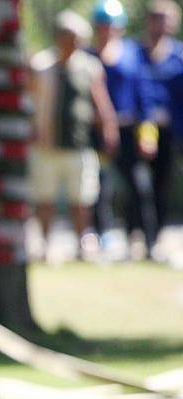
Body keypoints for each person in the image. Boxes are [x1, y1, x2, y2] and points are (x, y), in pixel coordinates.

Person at [30, 10, 119, 261]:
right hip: (46, 143)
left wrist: (108, 128)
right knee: (44, 199)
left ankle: (83, 246)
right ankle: (44, 246)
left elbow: (100, 101)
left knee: (81, 200)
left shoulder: (90, 66)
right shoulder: (41, 65)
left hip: (79, 144)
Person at [88, 0, 159, 258]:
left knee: (140, 188)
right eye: (103, 26)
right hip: (96, 133)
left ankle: (145, 242)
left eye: (112, 26)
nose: (107, 31)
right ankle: (98, 239)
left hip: (129, 131)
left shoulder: (132, 53)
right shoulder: (88, 55)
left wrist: (148, 135)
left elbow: (145, 96)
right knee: (98, 188)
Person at [138, 0, 183, 258]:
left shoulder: (178, 55)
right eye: (156, 17)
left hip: (171, 131)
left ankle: (157, 237)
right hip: (142, 128)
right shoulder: (135, 53)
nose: (161, 24)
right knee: (140, 184)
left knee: (164, 184)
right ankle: (145, 234)